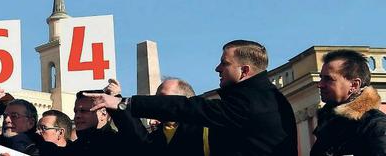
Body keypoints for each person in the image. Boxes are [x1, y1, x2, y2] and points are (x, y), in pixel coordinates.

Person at [84, 40, 297, 156]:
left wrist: (126, 103)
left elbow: (191, 109)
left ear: (244, 70)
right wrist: (119, 107)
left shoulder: (253, 103)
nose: (217, 68)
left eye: (225, 63)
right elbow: (144, 144)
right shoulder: (260, 98)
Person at [311, 49, 386, 156]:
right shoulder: (328, 125)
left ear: (354, 85)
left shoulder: (375, 126)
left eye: (329, 79)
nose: (320, 84)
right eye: (321, 78)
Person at [108, 78, 209, 156]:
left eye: (162, 97)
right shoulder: (158, 135)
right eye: (155, 98)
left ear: (184, 101)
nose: (155, 102)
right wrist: (116, 98)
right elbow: (138, 139)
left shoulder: (206, 131)